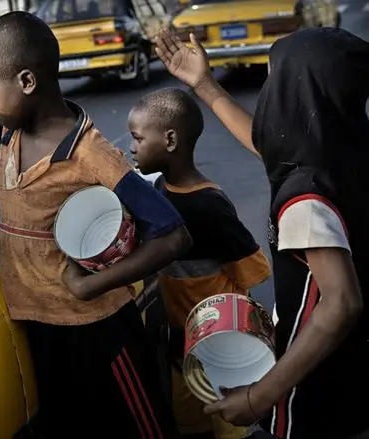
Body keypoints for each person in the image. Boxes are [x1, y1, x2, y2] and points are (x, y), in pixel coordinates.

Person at [0, 11, 192, 439]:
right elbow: (4, 178)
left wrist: (92, 285)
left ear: (26, 82)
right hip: (39, 321)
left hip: (97, 329)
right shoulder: (10, 133)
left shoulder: (91, 154)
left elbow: (173, 233)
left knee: (133, 424)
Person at [153, 27, 369, 439]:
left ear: (295, 96)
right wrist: (204, 84)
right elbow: (270, 145)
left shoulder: (305, 197)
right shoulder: (345, 150)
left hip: (321, 379)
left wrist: (259, 396)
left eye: (275, 81)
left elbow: (340, 303)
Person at [128, 88, 272, 439]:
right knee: (190, 423)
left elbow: (251, 271)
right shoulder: (157, 190)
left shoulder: (210, 205)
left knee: (229, 426)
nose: (132, 147)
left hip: (219, 344)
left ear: (170, 139)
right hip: (178, 340)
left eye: (137, 138)